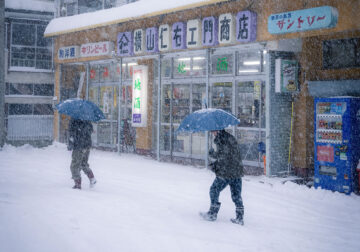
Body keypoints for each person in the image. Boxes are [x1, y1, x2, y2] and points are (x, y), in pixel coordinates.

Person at [200, 129, 244, 225]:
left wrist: (215, 165)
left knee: (214, 190)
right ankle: (240, 217)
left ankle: (212, 213)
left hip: (227, 172)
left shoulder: (222, 140)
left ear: (218, 130)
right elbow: (228, 155)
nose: (212, 133)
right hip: (237, 171)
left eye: (213, 131)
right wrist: (214, 154)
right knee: (236, 195)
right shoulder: (229, 138)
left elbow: (224, 157)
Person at [68, 118, 96, 189]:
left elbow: (72, 133)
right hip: (87, 145)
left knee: (74, 165)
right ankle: (92, 178)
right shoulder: (87, 119)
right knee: (83, 164)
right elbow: (91, 130)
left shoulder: (74, 119)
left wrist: (70, 144)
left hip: (79, 146)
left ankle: (78, 184)